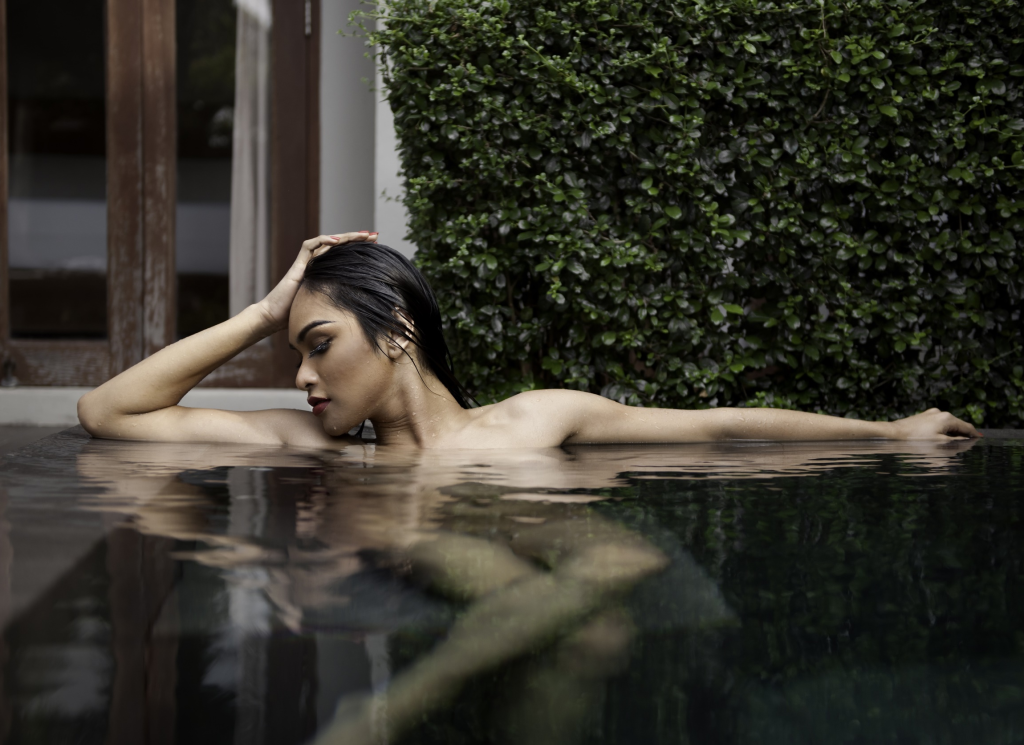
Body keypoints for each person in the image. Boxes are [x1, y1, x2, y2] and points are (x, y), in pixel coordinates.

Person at [78, 231, 981, 449]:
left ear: (397, 329)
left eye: (317, 343)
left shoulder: (535, 421)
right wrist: (263, 314)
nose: (304, 376)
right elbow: (107, 413)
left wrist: (889, 434)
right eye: (297, 354)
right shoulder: (310, 449)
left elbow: (715, 427)